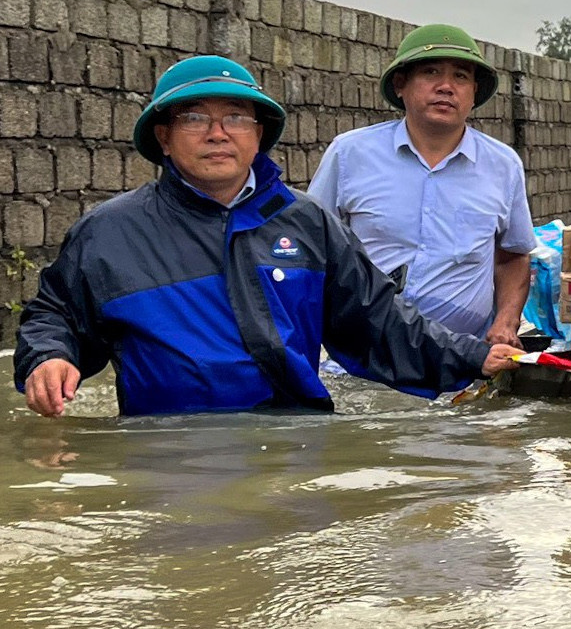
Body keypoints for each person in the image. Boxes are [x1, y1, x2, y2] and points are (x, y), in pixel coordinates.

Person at [15, 55, 522, 418]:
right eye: (195, 118)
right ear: (164, 138)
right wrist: (50, 357)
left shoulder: (306, 223)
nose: (218, 133)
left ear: (259, 134)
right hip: (163, 453)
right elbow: (55, 312)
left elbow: (379, 321)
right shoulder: (110, 233)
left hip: (291, 444)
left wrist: (475, 356)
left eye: (236, 117)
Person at [307, 24, 538, 345]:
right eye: (431, 72)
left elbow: (513, 256)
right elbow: (309, 246)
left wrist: (505, 322)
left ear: (474, 92)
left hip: (463, 358)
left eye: (460, 76)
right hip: (365, 355)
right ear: (401, 85)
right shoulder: (349, 154)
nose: (446, 87)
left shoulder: (503, 165)